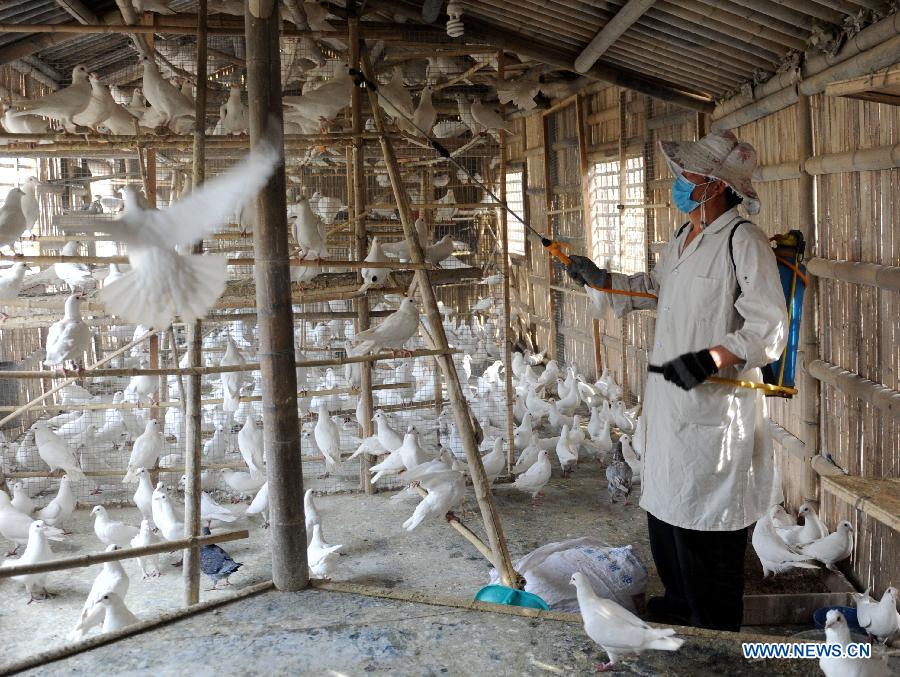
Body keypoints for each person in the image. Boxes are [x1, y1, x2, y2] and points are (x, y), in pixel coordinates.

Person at [567, 130, 788, 632]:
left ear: (712, 185)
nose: (678, 183)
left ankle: (714, 633)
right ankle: (678, 606)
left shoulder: (742, 239)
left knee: (706, 527)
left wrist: (712, 357)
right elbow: (655, 290)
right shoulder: (682, 236)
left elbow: (768, 327)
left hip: (714, 410)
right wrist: (600, 277)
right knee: (666, 515)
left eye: (686, 176)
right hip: (669, 403)